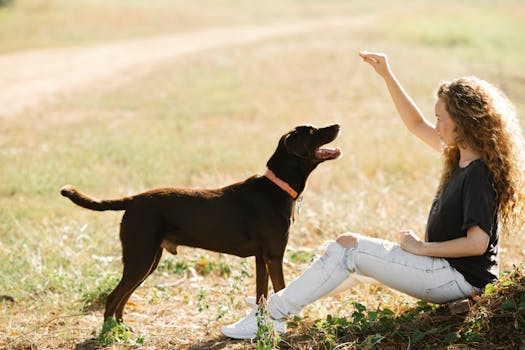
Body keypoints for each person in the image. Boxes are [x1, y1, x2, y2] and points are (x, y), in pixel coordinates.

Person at [221, 51, 525, 339]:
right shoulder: (458, 154)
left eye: (441, 118)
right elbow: (415, 124)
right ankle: (284, 304)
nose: (435, 124)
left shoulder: (478, 174)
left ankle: (269, 316)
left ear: (465, 122)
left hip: (457, 280)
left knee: (349, 248)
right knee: (343, 252)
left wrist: (420, 248)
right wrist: (387, 75)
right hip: (445, 272)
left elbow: (477, 244)